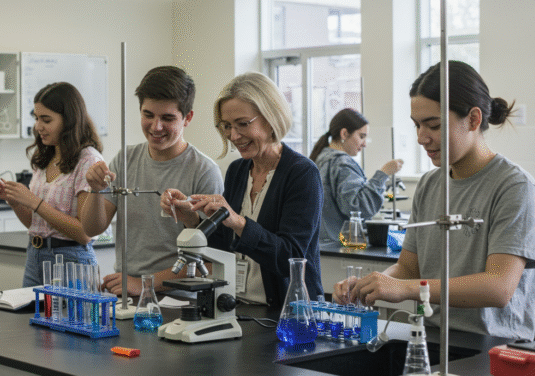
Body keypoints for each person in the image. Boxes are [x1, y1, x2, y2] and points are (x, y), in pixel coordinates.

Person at [333, 61, 535, 340]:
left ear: (473, 119)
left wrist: (408, 289)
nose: (422, 137)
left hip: (492, 349)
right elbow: (409, 268)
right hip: (430, 338)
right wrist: (372, 284)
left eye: (433, 125)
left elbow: (498, 287)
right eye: (417, 125)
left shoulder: (514, 188)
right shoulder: (430, 185)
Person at [162, 72, 324, 307]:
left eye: (242, 124)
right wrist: (190, 217)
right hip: (239, 306)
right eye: (227, 126)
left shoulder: (302, 174)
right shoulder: (238, 170)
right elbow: (224, 245)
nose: (233, 136)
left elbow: (290, 258)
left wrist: (238, 222)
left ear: (270, 119)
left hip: (287, 313)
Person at [81, 66, 223, 296]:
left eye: (167, 118)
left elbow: (211, 261)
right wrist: (95, 190)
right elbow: (92, 228)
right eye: (148, 115)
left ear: (187, 118)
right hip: (128, 295)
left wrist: (146, 282)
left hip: (180, 300)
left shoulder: (204, 171)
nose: (156, 127)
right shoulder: (125, 160)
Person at [0, 82, 104, 287]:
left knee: (69, 319)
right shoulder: (45, 157)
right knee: (29, 319)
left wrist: (34, 202)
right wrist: (16, 201)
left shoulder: (88, 161)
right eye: (36, 118)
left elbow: (84, 233)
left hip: (72, 262)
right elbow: (36, 224)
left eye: (46, 120)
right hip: (35, 256)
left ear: (69, 120)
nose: (38, 126)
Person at [309, 108, 404, 244]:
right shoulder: (342, 163)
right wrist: (383, 174)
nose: (364, 144)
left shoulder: (320, 158)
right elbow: (358, 208)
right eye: (361, 136)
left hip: (321, 243)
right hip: (339, 243)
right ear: (344, 133)